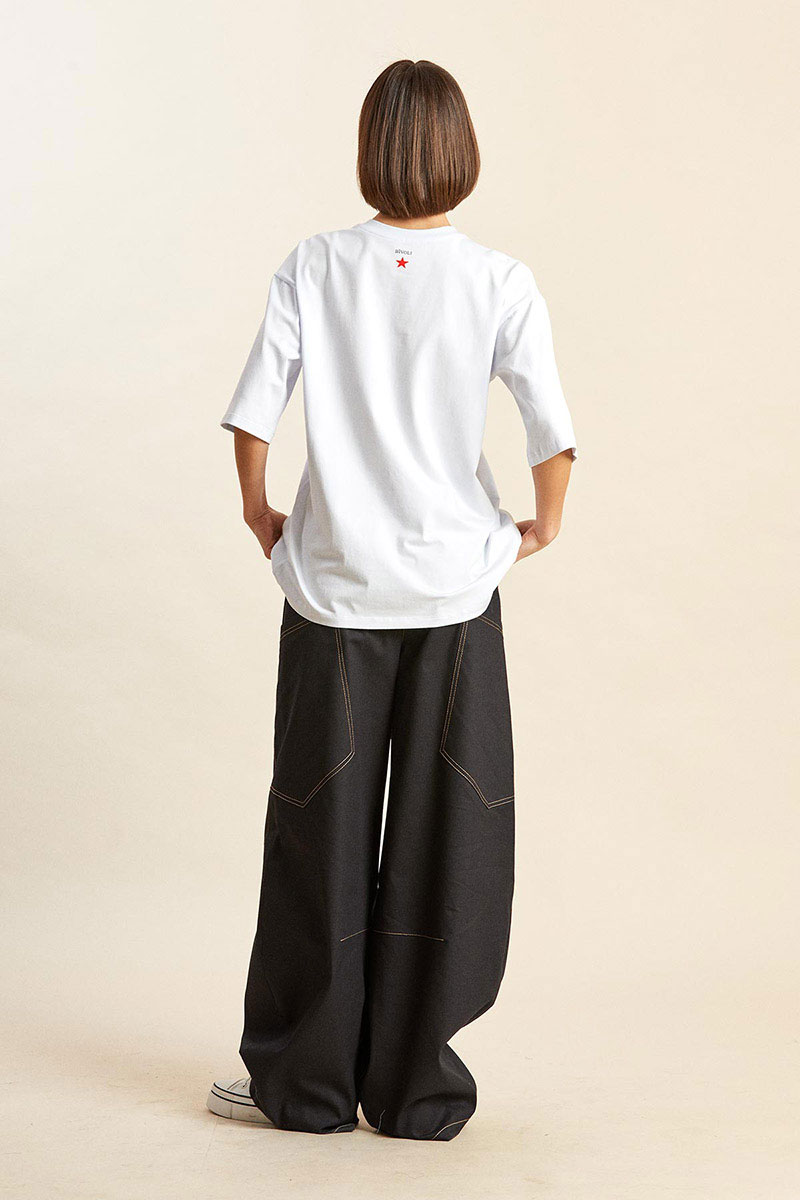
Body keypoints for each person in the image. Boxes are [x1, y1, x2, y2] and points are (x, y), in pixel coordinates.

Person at [207, 58, 576, 1142]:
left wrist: (260, 514)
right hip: (455, 595)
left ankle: (307, 1089)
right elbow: (551, 431)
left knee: (315, 836)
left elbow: (253, 414)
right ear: (463, 152)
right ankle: (418, 1092)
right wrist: (542, 525)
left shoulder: (316, 265)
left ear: (369, 150)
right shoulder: (499, 279)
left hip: (333, 592)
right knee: (445, 835)